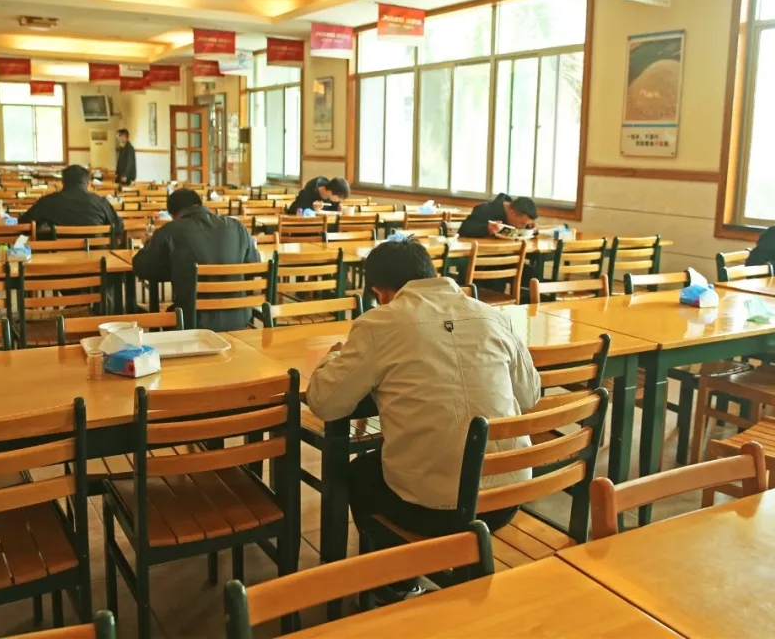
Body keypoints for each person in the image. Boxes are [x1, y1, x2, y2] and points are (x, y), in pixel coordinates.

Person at [306, 239, 540, 601]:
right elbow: (530, 395)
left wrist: (331, 359)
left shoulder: (379, 324)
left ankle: (396, 582)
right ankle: (416, 571)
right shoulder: (493, 315)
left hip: (434, 511)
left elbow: (325, 403)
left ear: (379, 292)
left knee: (358, 472)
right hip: (507, 499)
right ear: (430, 273)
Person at [132, 188, 261, 331]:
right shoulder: (237, 226)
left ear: (173, 213)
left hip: (191, 321)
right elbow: (254, 265)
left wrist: (150, 245)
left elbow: (141, 268)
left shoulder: (170, 230)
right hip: (238, 318)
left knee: (170, 313)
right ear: (200, 204)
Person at [18, 164, 124, 237]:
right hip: (97, 257)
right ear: (87, 183)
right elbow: (118, 228)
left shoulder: (47, 201)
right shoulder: (101, 202)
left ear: (63, 182)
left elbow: (24, 224)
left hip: (57, 256)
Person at [458, 193, 538, 238]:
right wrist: (487, 229)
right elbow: (463, 230)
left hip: (510, 255)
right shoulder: (484, 209)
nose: (523, 227)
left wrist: (533, 230)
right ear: (512, 213)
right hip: (483, 257)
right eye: (522, 223)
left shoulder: (518, 211)